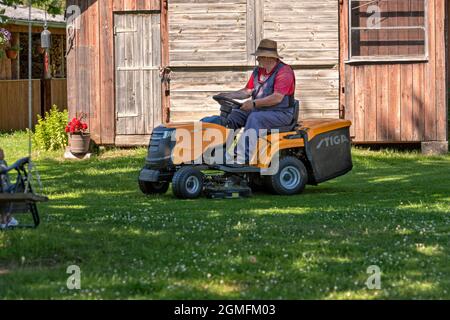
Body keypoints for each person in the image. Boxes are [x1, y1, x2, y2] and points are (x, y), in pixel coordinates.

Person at [215, 39, 296, 163]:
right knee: (234, 115)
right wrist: (228, 95)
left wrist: (253, 104)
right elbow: (247, 91)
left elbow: (277, 97)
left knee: (255, 118)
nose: (257, 59)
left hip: (282, 113)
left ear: (268, 57)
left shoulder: (284, 72)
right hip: (260, 110)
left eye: (259, 57)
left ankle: (241, 157)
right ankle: (218, 152)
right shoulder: (258, 71)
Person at [0, 148, 19, 229]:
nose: (3, 153)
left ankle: (6, 218)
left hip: (4, 189)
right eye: (1, 152)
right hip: (3, 190)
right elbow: (4, 170)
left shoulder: (3, 162)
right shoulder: (2, 163)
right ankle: (6, 219)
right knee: (10, 193)